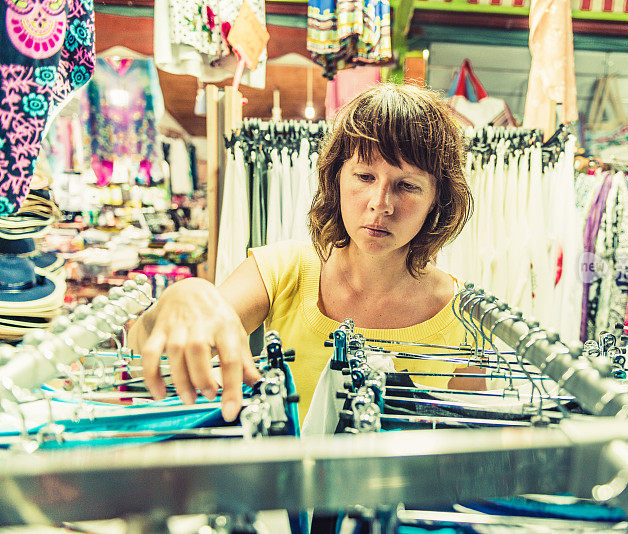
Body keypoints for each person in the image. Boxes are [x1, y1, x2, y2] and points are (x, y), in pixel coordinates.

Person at [129, 83, 476, 423]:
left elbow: (475, 440)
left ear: (437, 200)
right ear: (336, 178)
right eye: (365, 176)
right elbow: (143, 348)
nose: (380, 203)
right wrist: (186, 295)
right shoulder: (282, 271)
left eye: (407, 185)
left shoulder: (464, 317)